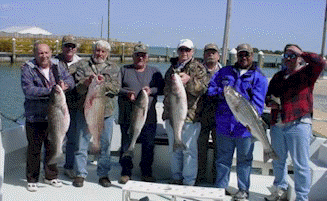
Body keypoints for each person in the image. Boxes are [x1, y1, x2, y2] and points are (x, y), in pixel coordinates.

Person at [265, 44, 326, 201]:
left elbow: (320, 62)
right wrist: (271, 103)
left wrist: (302, 52)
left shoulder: (308, 73)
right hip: (278, 124)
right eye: (286, 55)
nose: (289, 59)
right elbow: (268, 97)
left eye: (293, 55)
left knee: (300, 164)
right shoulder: (278, 77)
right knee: (278, 161)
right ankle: (280, 190)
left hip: (299, 124)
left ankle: (302, 197)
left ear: (300, 57)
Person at [207, 43, 268, 200]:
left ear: (252, 56)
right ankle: (221, 187)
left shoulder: (259, 77)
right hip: (224, 126)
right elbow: (211, 89)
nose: (244, 57)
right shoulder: (224, 72)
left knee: (244, 161)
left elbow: (258, 106)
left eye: (246, 54)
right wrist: (224, 93)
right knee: (222, 160)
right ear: (237, 56)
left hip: (245, 128)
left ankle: (243, 189)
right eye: (241, 54)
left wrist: (248, 119)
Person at [21, 43, 75, 192]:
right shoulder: (28, 69)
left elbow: (70, 80)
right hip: (35, 116)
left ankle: (51, 175)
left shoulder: (58, 66)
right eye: (40, 53)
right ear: (35, 54)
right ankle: (32, 178)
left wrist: (65, 86)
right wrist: (51, 90)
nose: (44, 56)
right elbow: (28, 90)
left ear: (51, 53)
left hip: (55, 115)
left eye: (46, 53)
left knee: (52, 145)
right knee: (34, 149)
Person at [72, 40, 121, 188]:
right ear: (93, 51)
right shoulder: (82, 65)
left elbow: (116, 88)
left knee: (104, 144)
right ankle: (80, 174)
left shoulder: (113, 68)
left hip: (106, 113)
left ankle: (103, 174)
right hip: (85, 111)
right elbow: (77, 88)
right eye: (97, 50)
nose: (99, 53)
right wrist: (86, 83)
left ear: (107, 53)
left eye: (103, 51)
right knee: (81, 144)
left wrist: (102, 83)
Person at [162, 39, 208, 186]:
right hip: (171, 116)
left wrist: (189, 80)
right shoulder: (172, 68)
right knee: (174, 150)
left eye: (187, 50)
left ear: (193, 51)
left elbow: (202, 89)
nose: (184, 52)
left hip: (190, 117)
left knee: (189, 151)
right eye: (181, 49)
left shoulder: (198, 68)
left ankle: (188, 181)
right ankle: (176, 178)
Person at [118, 43, 164, 184]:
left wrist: (151, 91)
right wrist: (127, 93)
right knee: (126, 145)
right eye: (137, 55)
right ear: (133, 56)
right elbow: (115, 88)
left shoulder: (154, 71)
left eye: (143, 55)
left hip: (148, 117)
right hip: (127, 117)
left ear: (147, 57)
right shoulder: (124, 70)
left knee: (148, 145)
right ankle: (126, 172)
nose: (140, 57)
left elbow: (162, 89)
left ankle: (146, 172)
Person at [55, 35, 82, 179]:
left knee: (72, 138)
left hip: (74, 106)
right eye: (67, 46)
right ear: (62, 47)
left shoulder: (82, 63)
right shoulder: (54, 61)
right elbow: (37, 63)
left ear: (76, 48)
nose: (69, 49)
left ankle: (69, 166)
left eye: (72, 46)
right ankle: (51, 165)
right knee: (53, 136)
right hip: (55, 106)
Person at [196, 43, 222, 185]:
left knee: (219, 149)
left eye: (213, 52)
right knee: (200, 148)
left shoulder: (225, 72)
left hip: (220, 117)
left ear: (218, 55)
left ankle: (216, 179)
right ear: (204, 54)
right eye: (208, 52)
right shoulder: (197, 71)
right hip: (200, 115)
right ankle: (199, 177)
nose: (210, 55)